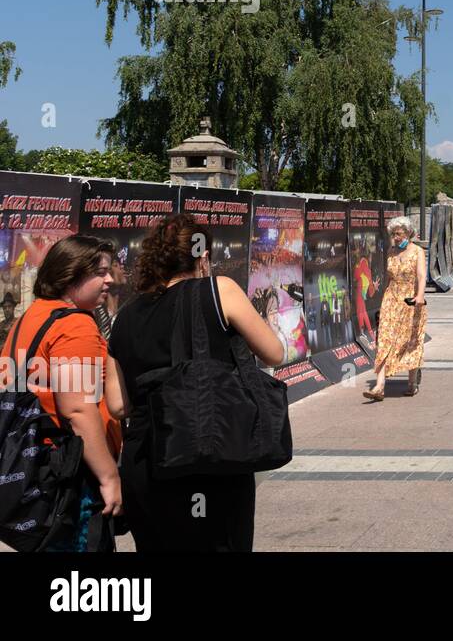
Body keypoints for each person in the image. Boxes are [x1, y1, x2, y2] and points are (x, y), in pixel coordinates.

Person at [108, 215, 284, 551]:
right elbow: (274, 352)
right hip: (205, 454)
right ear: (202, 256)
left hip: (144, 461)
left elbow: (118, 405)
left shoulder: (125, 315)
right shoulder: (220, 290)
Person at [1, 235, 124, 552]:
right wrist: (109, 477)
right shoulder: (75, 326)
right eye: (100, 272)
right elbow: (77, 410)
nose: (109, 280)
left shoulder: (31, 317)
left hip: (31, 467)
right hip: (69, 473)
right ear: (72, 273)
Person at [363, 216, 428, 400]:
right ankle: (379, 386)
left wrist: (420, 296)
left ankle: (412, 381)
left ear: (408, 233)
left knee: (411, 340)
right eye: (393, 234)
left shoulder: (417, 252)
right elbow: (388, 277)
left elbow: (422, 276)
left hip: (410, 299)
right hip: (391, 298)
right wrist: (381, 295)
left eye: (399, 234)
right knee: (384, 339)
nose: (396, 237)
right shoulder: (391, 252)